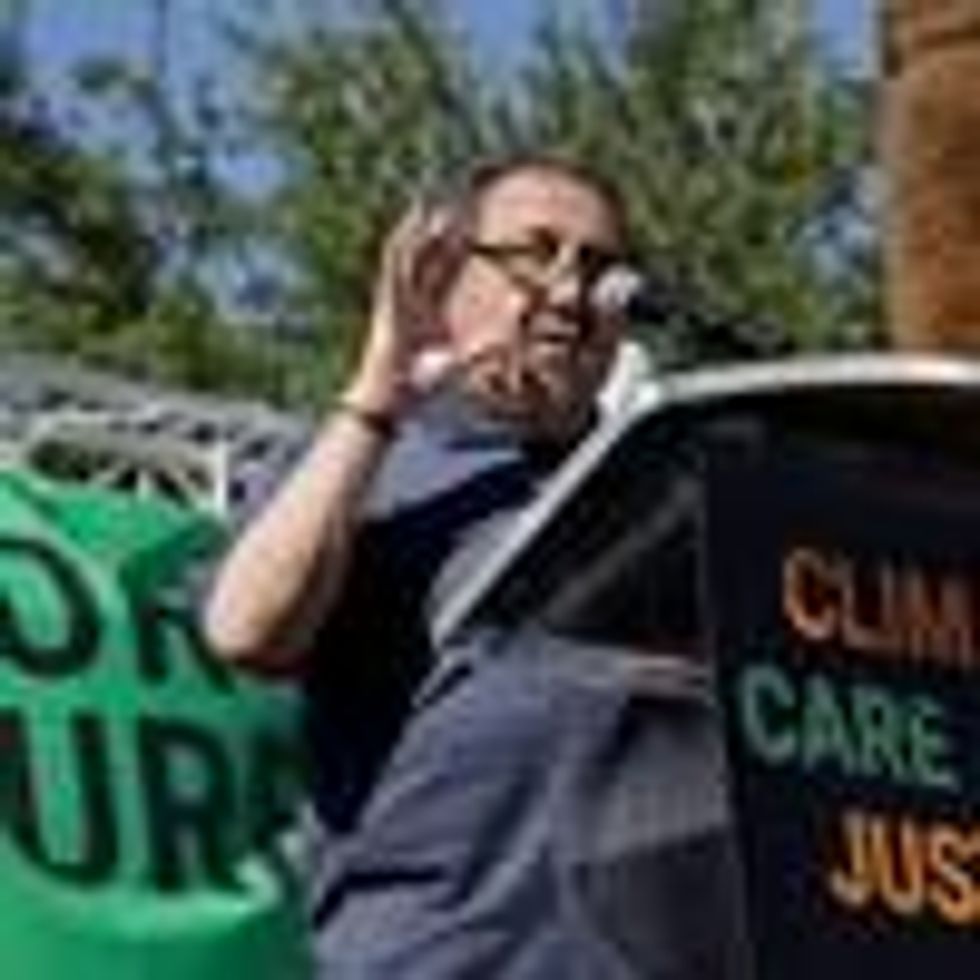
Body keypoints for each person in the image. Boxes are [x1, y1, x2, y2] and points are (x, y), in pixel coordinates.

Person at [204, 156, 743, 978]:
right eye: (536, 254)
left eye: (599, 269)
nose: (569, 292)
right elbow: (247, 630)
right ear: (447, 277)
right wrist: (381, 389)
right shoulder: (369, 462)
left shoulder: (665, 492)